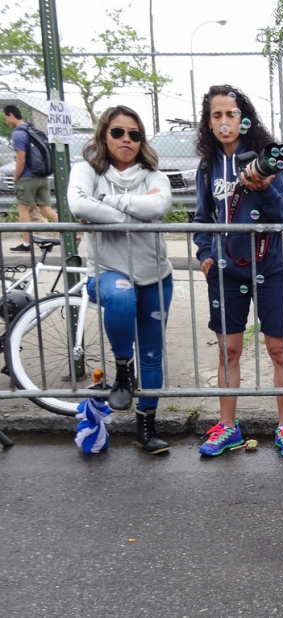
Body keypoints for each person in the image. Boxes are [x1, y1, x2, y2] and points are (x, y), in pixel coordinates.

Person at [192, 85, 283, 458]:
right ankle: (228, 427)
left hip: (270, 268)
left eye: (231, 114)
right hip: (225, 272)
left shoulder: (267, 159)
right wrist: (204, 253)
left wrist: (266, 189)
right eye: (216, 115)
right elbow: (202, 217)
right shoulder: (207, 167)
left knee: (279, 350)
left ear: (244, 119)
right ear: (208, 123)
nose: (224, 121)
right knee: (229, 351)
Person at [67, 105, 173, 455]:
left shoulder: (154, 175)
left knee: (153, 354)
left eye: (134, 134)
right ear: (104, 134)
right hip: (108, 273)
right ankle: (123, 369)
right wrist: (134, 214)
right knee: (122, 296)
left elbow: (158, 207)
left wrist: (106, 203)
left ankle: (146, 426)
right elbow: (79, 206)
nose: (126, 139)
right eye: (118, 132)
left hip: (156, 276)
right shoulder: (86, 170)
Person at [3, 104, 59, 252]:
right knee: (46, 209)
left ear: (11, 115)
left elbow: (21, 160)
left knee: (24, 210)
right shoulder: (32, 129)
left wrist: (16, 177)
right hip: (42, 176)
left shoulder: (18, 134)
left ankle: (27, 244)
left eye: (6, 117)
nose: (6, 121)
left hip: (27, 177)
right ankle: (70, 235)